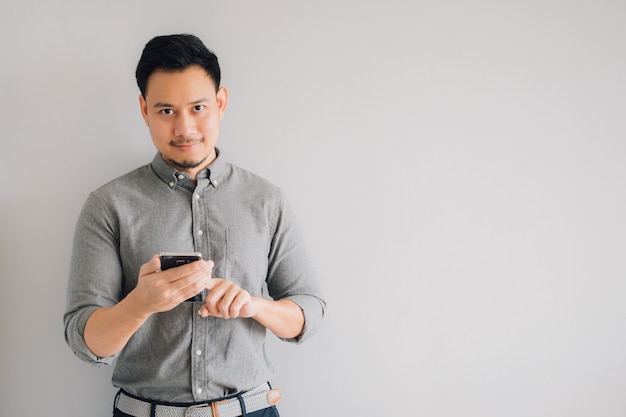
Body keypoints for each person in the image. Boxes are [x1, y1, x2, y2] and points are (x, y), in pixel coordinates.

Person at [64, 33, 326, 417]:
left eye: (198, 107)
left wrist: (254, 305)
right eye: (166, 111)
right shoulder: (108, 205)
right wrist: (141, 304)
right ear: (144, 110)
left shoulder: (267, 200)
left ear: (220, 102)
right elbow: (83, 338)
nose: (185, 128)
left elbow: (309, 312)